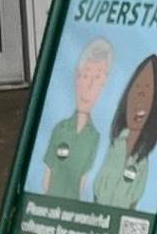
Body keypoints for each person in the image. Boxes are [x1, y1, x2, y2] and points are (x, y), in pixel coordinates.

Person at [92, 54, 157, 212]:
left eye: (146, 93)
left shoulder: (142, 163)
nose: (138, 100)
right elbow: (98, 189)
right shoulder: (114, 147)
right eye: (136, 89)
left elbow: (132, 205)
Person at [39, 37, 113, 199]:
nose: (89, 87)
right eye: (85, 76)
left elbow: (83, 183)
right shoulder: (60, 129)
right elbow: (46, 180)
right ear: (76, 78)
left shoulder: (94, 137)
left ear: (103, 85)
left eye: (97, 79)